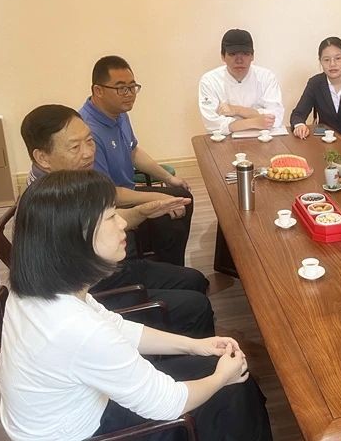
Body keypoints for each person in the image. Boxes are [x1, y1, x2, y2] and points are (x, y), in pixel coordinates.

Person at [0, 170, 272, 441]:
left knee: (225, 377)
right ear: (76, 238)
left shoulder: (38, 289)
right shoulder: (75, 328)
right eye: (111, 216)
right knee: (234, 391)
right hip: (84, 431)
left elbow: (115, 326)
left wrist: (195, 345)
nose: (122, 223)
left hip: (69, 414)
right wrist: (222, 377)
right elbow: (169, 403)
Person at [21, 104, 213, 338]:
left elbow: (105, 223)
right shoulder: (48, 204)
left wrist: (143, 211)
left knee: (195, 280)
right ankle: (191, 354)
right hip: (96, 291)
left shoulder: (68, 181)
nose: (88, 153)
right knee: (197, 306)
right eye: (75, 147)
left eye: (90, 141)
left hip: (110, 269)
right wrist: (141, 212)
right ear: (42, 157)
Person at [80, 56, 193, 267]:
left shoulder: (119, 113)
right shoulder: (88, 132)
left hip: (127, 191)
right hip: (108, 204)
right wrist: (158, 197)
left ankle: (173, 267)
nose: (129, 94)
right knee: (171, 219)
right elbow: (107, 193)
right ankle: (166, 271)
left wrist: (168, 178)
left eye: (132, 87)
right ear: (98, 90)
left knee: (183, 196)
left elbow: (133, 152)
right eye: (121, 88)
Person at [290, 36, 341, 154]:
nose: (332, 64)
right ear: (320, 61)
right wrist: (299, 125)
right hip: (326, 148)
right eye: (326, 60)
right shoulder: (315, 83)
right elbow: (298, 114)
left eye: (338, 58)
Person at [198, 29, 285, 134]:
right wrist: (254, 122)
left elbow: (276, 117)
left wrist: (237, 110)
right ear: (223, 56)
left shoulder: (266, 77)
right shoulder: (209, 81)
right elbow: (211, 123)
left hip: (263, 138)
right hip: (225, 140)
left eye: (245, 53)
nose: (239, 60)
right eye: (233, 54)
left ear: (252, 56)